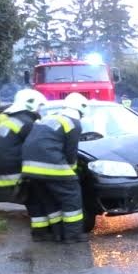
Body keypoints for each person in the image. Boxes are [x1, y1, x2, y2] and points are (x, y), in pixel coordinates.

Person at [21, 92, 88, 243]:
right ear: (81, 109)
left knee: (49, 198)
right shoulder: (74, 123)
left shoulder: (49, 117)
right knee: (72, 194)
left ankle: (58, 233)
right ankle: (73, 235)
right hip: (49, 164)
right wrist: (73, 171)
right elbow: (71, 153)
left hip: (29, 167)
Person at [0, 89, 47, 240]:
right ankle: (40, 233)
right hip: (16, 169)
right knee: (37, 197)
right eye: (39, 106)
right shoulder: (27, 123)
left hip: (4, 169)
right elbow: (39, 146)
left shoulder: (9, 120)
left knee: (32, 198)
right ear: (31, 104)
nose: (40, 110)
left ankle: (41, 230)